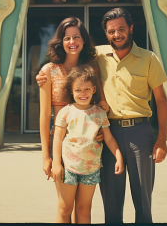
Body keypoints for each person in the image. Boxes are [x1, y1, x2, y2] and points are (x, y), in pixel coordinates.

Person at [37, 7, 167, 223]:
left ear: (131, 29)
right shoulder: (74, 63)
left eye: (121, 29)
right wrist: (43, 75)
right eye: (111, 31)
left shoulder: (137, 59)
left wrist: (161, 139)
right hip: (85, 139)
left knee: (135, 201)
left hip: (127, 135)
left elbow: (160, 100)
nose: (116, 34)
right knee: (92, 204)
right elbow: (44, 116)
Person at [38, 17, 109, 220]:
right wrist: (46, 157)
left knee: (85, 209)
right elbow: (44, 117)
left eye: (76, 37)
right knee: (65, 208)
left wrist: (102, 130)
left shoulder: (93, 69)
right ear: (60, 42)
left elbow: (101, 107)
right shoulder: (48, 71)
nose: (72, 42)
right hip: (62, 147)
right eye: (67, 38)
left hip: (89, 148)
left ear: (84, 40)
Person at [52, 65, 124, 223]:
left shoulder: (99, 113)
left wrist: (119, 157)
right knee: (65, 209)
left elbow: (109, 138)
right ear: (71, 91)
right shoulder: (65, 112)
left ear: (93, 90)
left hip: (91, 169)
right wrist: (56, 164)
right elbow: (57, 139)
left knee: (84, 209)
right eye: (78, 90)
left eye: (86, 89)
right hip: (69, 169)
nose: (82, 93)